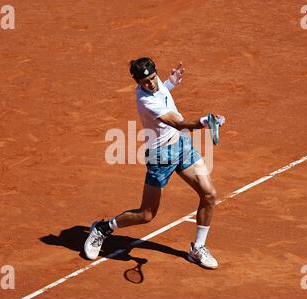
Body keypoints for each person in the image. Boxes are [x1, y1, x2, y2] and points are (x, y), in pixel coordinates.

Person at [84, 57, 225, 269]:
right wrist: (204, 122)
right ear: (138, 83)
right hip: (160, 156)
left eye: (152, 78)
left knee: (209, 194)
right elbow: (178, 123)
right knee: (146, 214)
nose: (151, 84)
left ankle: (198, 248)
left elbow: (162, 94)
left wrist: (170, 83)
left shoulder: (158, 84)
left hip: (181, 145)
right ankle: (103, 228)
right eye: (145, 83)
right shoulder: (144, 100)